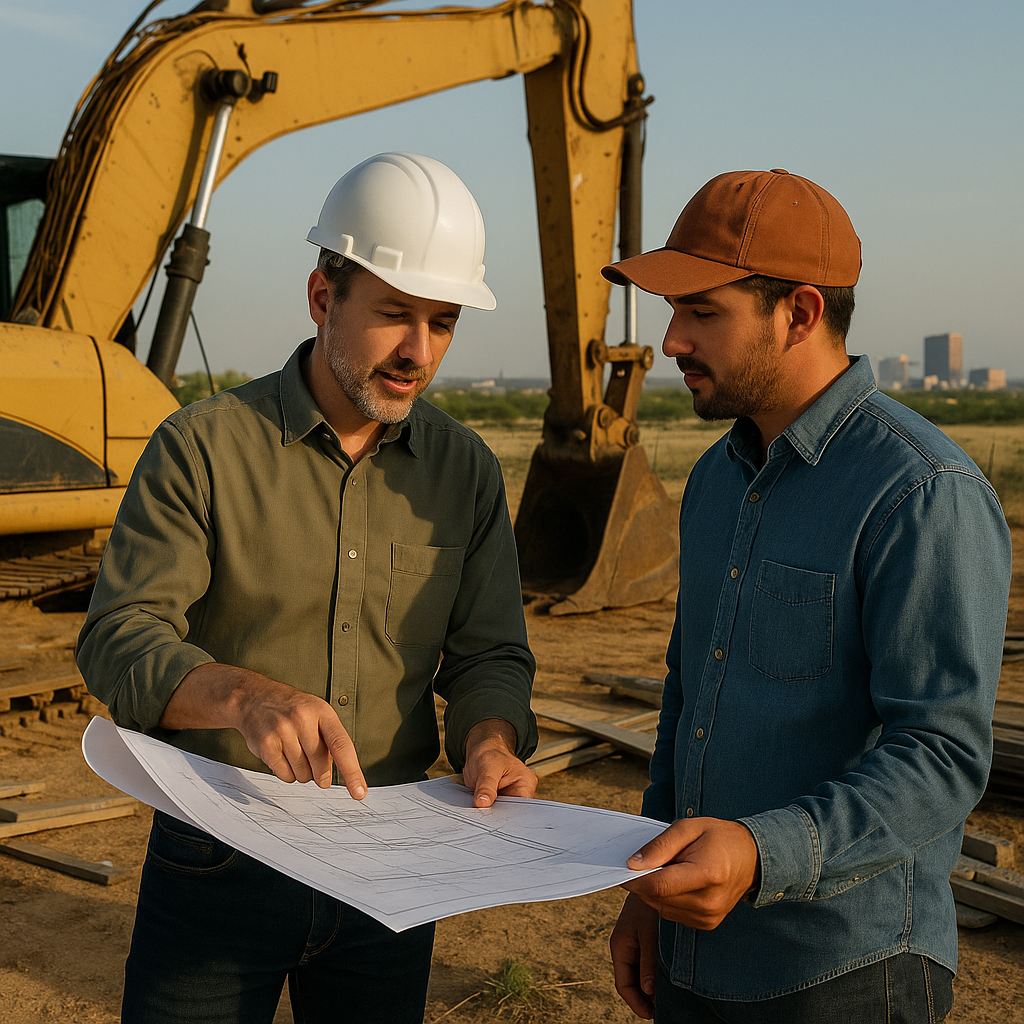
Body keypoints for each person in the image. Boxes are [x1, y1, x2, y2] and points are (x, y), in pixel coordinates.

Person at [76, 151, 539, 1024]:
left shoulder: (466, 473)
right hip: (219, 855)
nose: (420, 351)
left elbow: (490, 653)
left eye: (443, 323)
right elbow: (118, 636)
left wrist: (489, 736)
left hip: (391, 870)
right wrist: (243, 696)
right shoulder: (201, 448)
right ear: (323, 298)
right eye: (395, 315)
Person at [601, 168, 1011, 1022]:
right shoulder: (716, 479)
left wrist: (760, 852)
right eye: (674, 313)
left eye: (702, 312)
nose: (672, 341)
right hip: (698, 950)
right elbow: (689, 696)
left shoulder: (920, 491)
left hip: (847, 973)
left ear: (801, 312)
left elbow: (942, 754)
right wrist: (646, 882)